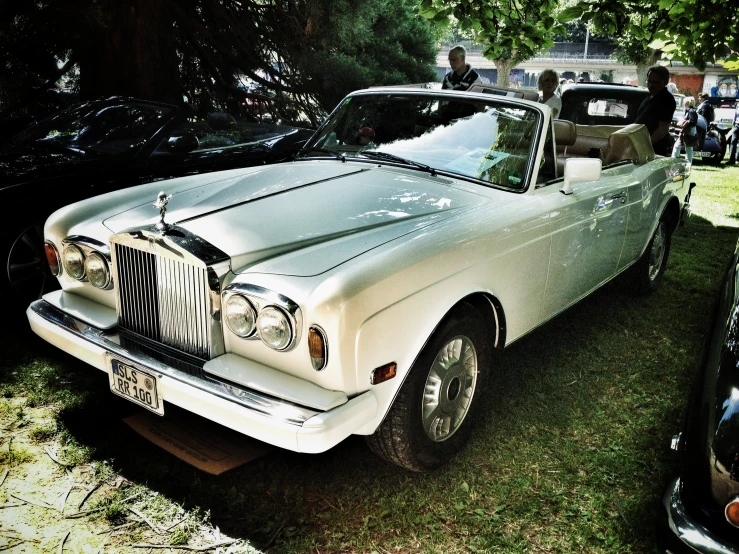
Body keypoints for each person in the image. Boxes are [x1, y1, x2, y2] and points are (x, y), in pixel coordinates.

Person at [635, 65, 676, 156]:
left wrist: (646, 144)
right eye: (649, 81)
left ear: (664, 82)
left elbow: (663, 128)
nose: (651, 85)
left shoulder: (666, 99)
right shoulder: (650, 97)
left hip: (654, 148)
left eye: (655, 82)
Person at [672, 96, 699, 163]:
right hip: (686, 130)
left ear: (688, 103)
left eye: (685, 102)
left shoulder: (691, 111)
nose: (684, 103)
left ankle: (685, 162)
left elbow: (693, 122)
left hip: (689, 131)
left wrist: (684, 122)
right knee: (680, 145)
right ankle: (675, 159)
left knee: (688, 147)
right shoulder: (689, 110)